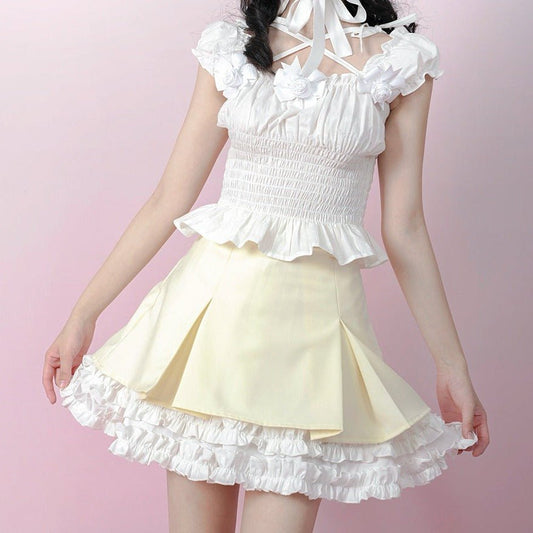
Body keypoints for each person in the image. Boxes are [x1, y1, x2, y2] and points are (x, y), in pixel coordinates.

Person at [42, 0, 490, 531]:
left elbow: (405, 228)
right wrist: (83, 315)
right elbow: (169, 198)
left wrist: (452, 365)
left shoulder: (401, 63)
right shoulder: (233, 48)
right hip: (210, 328)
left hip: (314, 347)